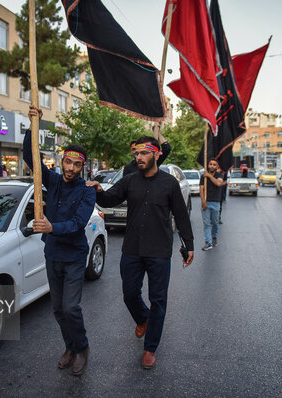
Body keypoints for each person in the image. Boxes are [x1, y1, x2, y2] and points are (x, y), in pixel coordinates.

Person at [87, 136, 194, 370]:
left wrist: (189, 244)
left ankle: (150, 348)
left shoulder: (169, 183)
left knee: (159, 300)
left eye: (143, 153)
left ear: (156, 154)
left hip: (159, 250)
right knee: (129, 293)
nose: (138, 158)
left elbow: (181, 215)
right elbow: (109, 199)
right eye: (136, 154)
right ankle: (143, 318)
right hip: (133, 248)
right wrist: (97, 190)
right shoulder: (130, 180)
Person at [23, 105, 96, 377]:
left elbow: (78, 224)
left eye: (77, 164)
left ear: (82, 167)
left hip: (75, 257)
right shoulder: (51, 181)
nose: (71, 168)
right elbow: (29, 157)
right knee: (57, 309)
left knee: (71, 307)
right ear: (62, 160)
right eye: (68, 162)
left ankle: (82, 348)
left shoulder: (87, 193)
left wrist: (52, 226)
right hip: (52, 255)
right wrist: (34, 125)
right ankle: (70, 346)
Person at [200, 159, 227, 250]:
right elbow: (201, 189)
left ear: (217, 167)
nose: (212, 166)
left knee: (215, 223)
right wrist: (203, 201)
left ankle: (214, 237)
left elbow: (218, 183)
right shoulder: (203, 176)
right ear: (208, 165)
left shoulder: (219, 175)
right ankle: (208, 242)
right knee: (206, 224)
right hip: (206, 202)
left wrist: (209, 176)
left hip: (215, 203)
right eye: (210, 164)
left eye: (214, 165)